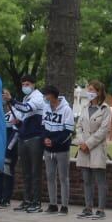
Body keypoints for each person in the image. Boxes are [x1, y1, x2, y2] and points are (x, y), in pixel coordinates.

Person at [74, 80, 111, 219]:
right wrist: (82, 142)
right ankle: (87, 207)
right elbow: (79, 127)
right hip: (83, 148)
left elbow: (103, 131)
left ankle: (100, 209)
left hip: (96, 148)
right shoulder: (84, 108)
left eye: (92, 90)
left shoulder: (105, 109)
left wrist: (88, 144)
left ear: (99, 92)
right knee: (86, 180)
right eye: (88, 90)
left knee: (100, 180)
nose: (89, 93)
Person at [10, 75, 48, 213]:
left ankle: (36, 202)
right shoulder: (26, 98)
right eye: (23, 84)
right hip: (24, 137)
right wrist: (19, 123)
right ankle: (27, 200)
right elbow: (25, 118)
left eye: (27, 84)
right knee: (25, 172)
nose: (25, 86)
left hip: (35, 138)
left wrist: (11, 100)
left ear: (33, 84)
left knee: (35, 172)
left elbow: (26, 109)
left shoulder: (38, 97)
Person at [41, 85, 75, 215]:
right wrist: (45, 139)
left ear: (52, 95)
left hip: (61, 149)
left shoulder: (66, 109)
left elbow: (68, 131)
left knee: (63, 177)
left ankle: (64, 206)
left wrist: (54, 141)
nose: (45, 97)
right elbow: (43, 126)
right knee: (50, 176)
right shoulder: (46, 107)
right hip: (48, 149)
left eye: (47, 95)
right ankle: (53, 204)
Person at [0, 88, 19, 209]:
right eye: (0, 95)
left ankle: (6, 199)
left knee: (7, 173)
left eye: (4, 95)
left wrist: (8, 148)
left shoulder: (15, 112)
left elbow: (16, 132)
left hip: (9, 149)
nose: (2, 98)